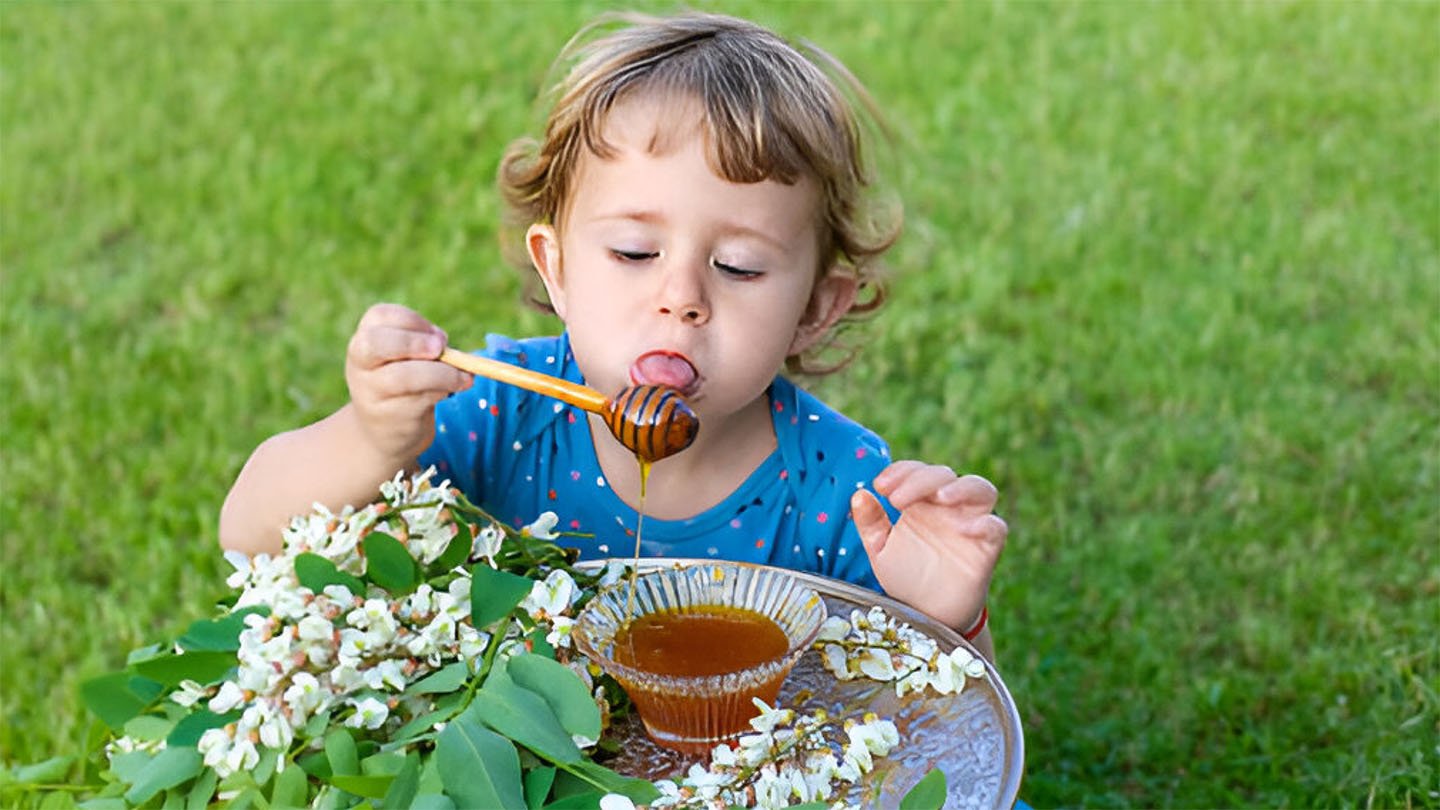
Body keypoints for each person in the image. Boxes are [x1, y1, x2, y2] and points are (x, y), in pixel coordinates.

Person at [219, 10, 1006, 661]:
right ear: (555, 269)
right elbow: (252, 537)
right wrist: (368, 437)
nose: (681, 299)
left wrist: (951, 613)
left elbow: (936, 728)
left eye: (738, 266)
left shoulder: (845, 494)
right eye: (634, 253)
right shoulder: (496, 414)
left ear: (815, 308)